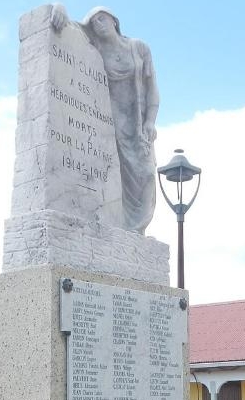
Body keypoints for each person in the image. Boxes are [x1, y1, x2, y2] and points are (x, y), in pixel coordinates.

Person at [51, 5, 160, 233]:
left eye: (102, 19)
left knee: (147, 175)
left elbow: (152, 90)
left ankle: (136, 229)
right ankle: (125, 229)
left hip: (139, 126)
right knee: (123, 178)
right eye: (94, 23)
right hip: (114, 125)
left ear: (114, 21)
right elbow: (72, 30)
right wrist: (58, 6)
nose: (98, 25)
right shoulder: (97, 49)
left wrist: (150, 121)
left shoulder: (139, 48)